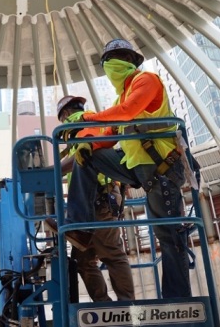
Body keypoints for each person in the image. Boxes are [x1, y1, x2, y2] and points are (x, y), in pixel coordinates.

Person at [62, 39, 192, 299]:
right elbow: (109, 133)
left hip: (162, 168)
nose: (115, 65)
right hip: (137, 169)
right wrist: (86, 143)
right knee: (88, 157)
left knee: (168, 235)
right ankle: (77, 225)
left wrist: (87, 118)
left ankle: (177, 301)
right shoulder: (122, 95)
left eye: (121, 58)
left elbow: (127, 112)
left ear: (132, 62)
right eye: (112, 59)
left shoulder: (146, 81)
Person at [50, 95, 135, 302]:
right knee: (84, 259)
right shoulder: (94, 121)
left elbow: (85, 154)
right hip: (97, 199)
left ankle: (126, 310)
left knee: (111, 254)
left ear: (66, 114)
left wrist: (51, 172)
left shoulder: (77, 124)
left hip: (97, 198)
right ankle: (110, 310)